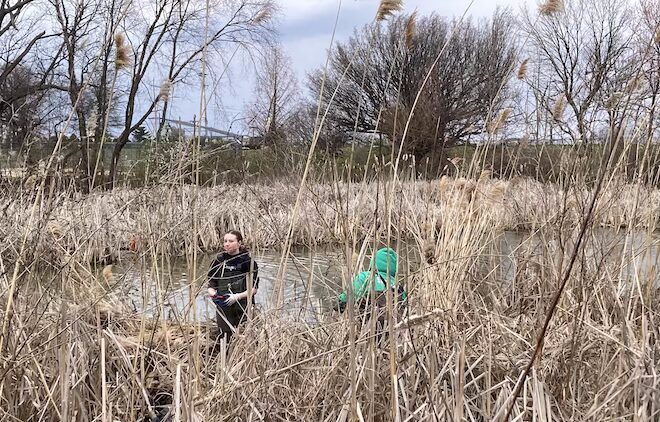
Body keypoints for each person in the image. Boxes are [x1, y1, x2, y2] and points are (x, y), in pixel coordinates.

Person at [207, 230, 259, 344]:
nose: (227, 244)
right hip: (224, 306)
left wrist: (237, 297)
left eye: (231, 241)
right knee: (224, 337)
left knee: (245, 337)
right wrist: (215, 296)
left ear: (239, 243)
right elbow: (210, 285)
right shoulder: (218, 262)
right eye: (225, 241)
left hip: (244, 306)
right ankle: (225, 357)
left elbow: (254, 289)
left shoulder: (248, 262)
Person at [335, 247, 406, 313]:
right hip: (393, 322)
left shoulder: (365, 277)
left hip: (368, 321)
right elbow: (404, 305)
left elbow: (350, 294)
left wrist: (339, 306)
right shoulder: (396, 284)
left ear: (373, 261)